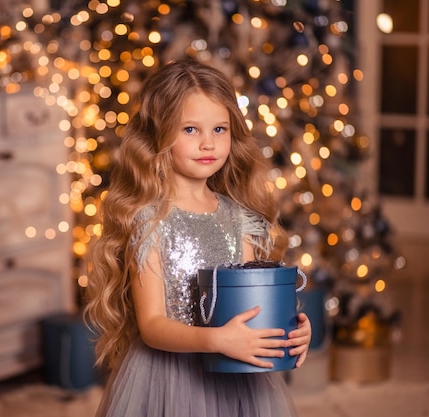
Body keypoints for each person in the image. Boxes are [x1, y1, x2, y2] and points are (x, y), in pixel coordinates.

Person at [84, 59, 312, 417]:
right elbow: (153, 326)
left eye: (220, 129)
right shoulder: (150, 221)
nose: (208, 143)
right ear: (158, 135)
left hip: (237, 377)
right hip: (170, 379)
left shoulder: (239, 219)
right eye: (190, 129)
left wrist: (291, 329)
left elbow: (255, 303)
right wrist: (214, 339)